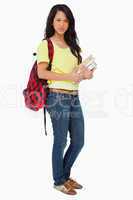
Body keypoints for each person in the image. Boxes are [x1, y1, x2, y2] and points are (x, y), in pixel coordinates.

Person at [36, 4, 95, 195]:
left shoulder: (73, 46)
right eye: (58, 19)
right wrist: (69, 77)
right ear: (52, 21)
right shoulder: (46, 44)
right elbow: (42, 72)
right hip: (56, 97)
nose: (62, 24)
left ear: (70, 23)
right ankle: (59, 181)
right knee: (60, 141)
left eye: (66, 20)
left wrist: (85, 75)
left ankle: (64, 176)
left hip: (73, 97)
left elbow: (76, 74)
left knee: (79, 141)